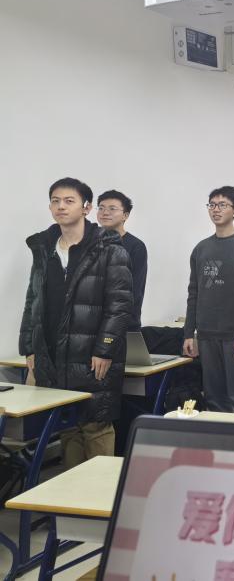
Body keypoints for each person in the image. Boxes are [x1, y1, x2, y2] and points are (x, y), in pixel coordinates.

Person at [20, 178, 133, 468]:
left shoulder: (109, 249)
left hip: (92, 352)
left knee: (96, 424)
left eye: (69, 201)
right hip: (53, 353)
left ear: (86, 208)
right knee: (67, 425)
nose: (61, 206)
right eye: (55, 201)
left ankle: (101, 492)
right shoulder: (44, 248)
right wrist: (29, 348)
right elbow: (33, 300)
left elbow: (120, 305)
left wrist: (105, 348)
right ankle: (72, 492)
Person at [183, 186, 234, 414]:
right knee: (214, 398)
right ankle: (220, 437)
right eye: (212, 205)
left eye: (222, 205)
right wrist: (189, 333)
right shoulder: (201, 249)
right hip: (207, 335)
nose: (216, 209)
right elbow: (194, 293)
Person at [96, 189, 147, 329]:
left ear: (125, 215)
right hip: (91, 322)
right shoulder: (89, 242)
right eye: (101, 208)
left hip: (122, 322)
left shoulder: (135, 246)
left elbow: (135, 289)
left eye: (112, 209)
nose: (105, 213)